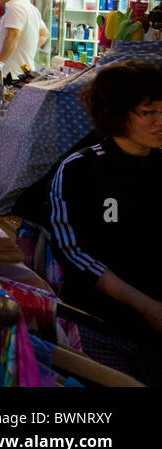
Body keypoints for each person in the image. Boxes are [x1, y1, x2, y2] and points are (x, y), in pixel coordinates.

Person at [46, 62, 162, 384]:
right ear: (116, 114)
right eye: (148, 112)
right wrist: (148, 307)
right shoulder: (79, 171)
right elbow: (74, 252)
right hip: (98, 325)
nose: (160, 121)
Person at [0, 0, 49, 79]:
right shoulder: (32, 8)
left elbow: (13, 36)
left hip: (11, 75)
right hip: (24, 71)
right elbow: (44, 34)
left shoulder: (15, 8)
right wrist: (26, 48)